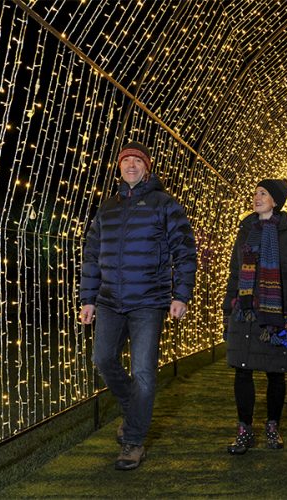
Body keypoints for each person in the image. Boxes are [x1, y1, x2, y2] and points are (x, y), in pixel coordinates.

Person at [79, 141, 196, 470]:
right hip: (109, 301)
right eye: (125, 160)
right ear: (118, 166)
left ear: (148, 166)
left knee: (144, 373)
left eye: (137, 160)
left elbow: (185, 251)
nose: (131, 165)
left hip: (149, 301)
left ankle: (132, 440)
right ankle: (135, 407)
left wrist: (181, 294)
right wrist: (87, 298)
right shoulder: (107, 208)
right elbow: (91, 257)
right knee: (102, 359)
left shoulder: (165, 204)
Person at [222, 179, 287, 454]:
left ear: (276, 201)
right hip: (245, 311)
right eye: (256, 192)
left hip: (275, 313)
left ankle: (273, 426)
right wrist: (229, 306)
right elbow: (235, 272)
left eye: (264, 193)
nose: (257, 197)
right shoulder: (245, 230)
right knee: (242, 370)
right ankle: (244, 430)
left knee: (276, 372)